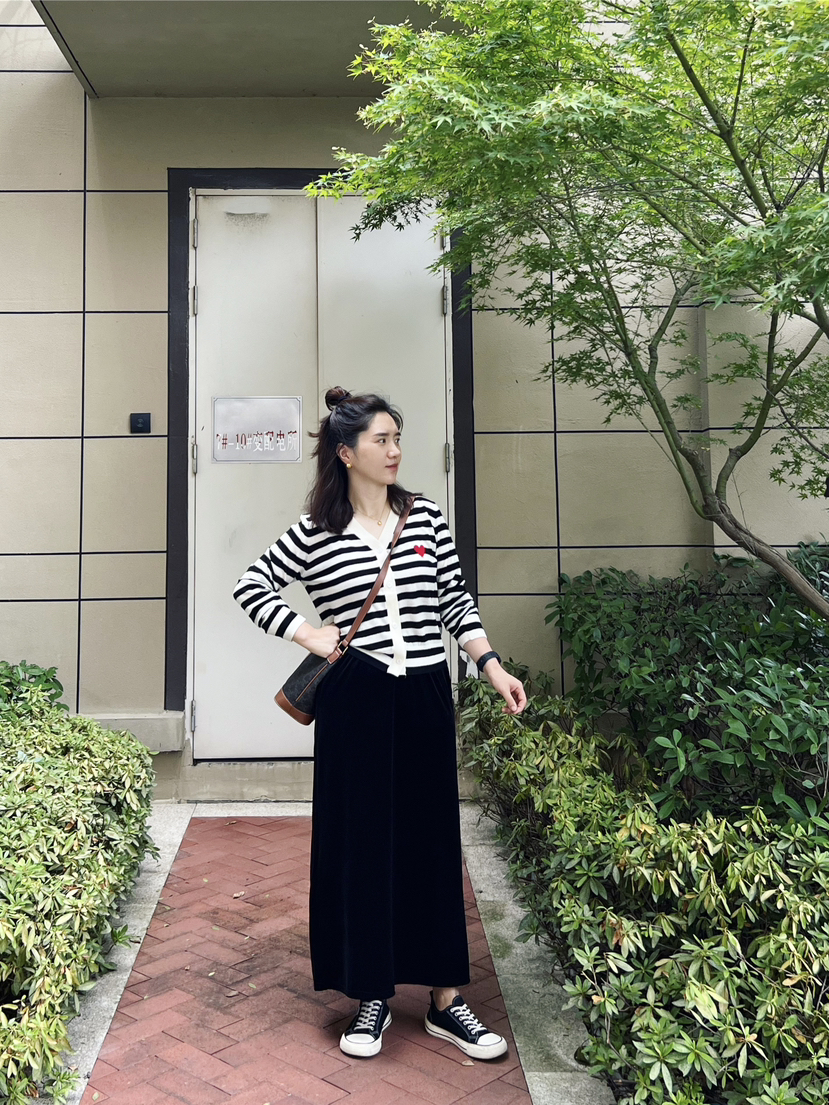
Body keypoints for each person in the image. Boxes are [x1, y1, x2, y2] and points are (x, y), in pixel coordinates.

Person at [233, 386, 527, 1060]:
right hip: (356, 698)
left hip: (424, 693)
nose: (395, 451)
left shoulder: (424, 518)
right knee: (361, 843)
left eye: (398, 439)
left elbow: (455, 602)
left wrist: (490, 665)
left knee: (431, 840)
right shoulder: (316, 529)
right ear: (346, 452)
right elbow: (251, 585)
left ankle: (447, 1000)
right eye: (381, 440)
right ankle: (371, 993)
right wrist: (306, 631)